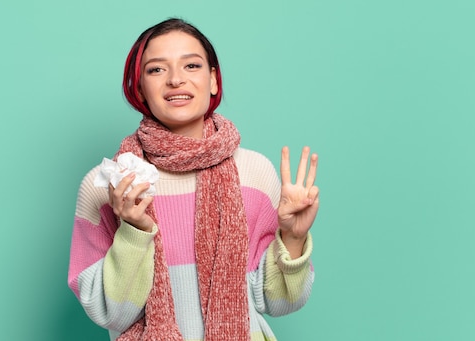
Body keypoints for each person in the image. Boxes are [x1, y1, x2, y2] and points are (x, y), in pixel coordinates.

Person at [68, 18, 320, 341]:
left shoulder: (255, 173)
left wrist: (294, 239)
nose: (176, 80)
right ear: (139, 87)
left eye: (192, 65)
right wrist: (133, 230)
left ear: (213, 80)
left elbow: (276, 300)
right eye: (156, 69)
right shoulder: (108, 185)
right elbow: (108, 311)